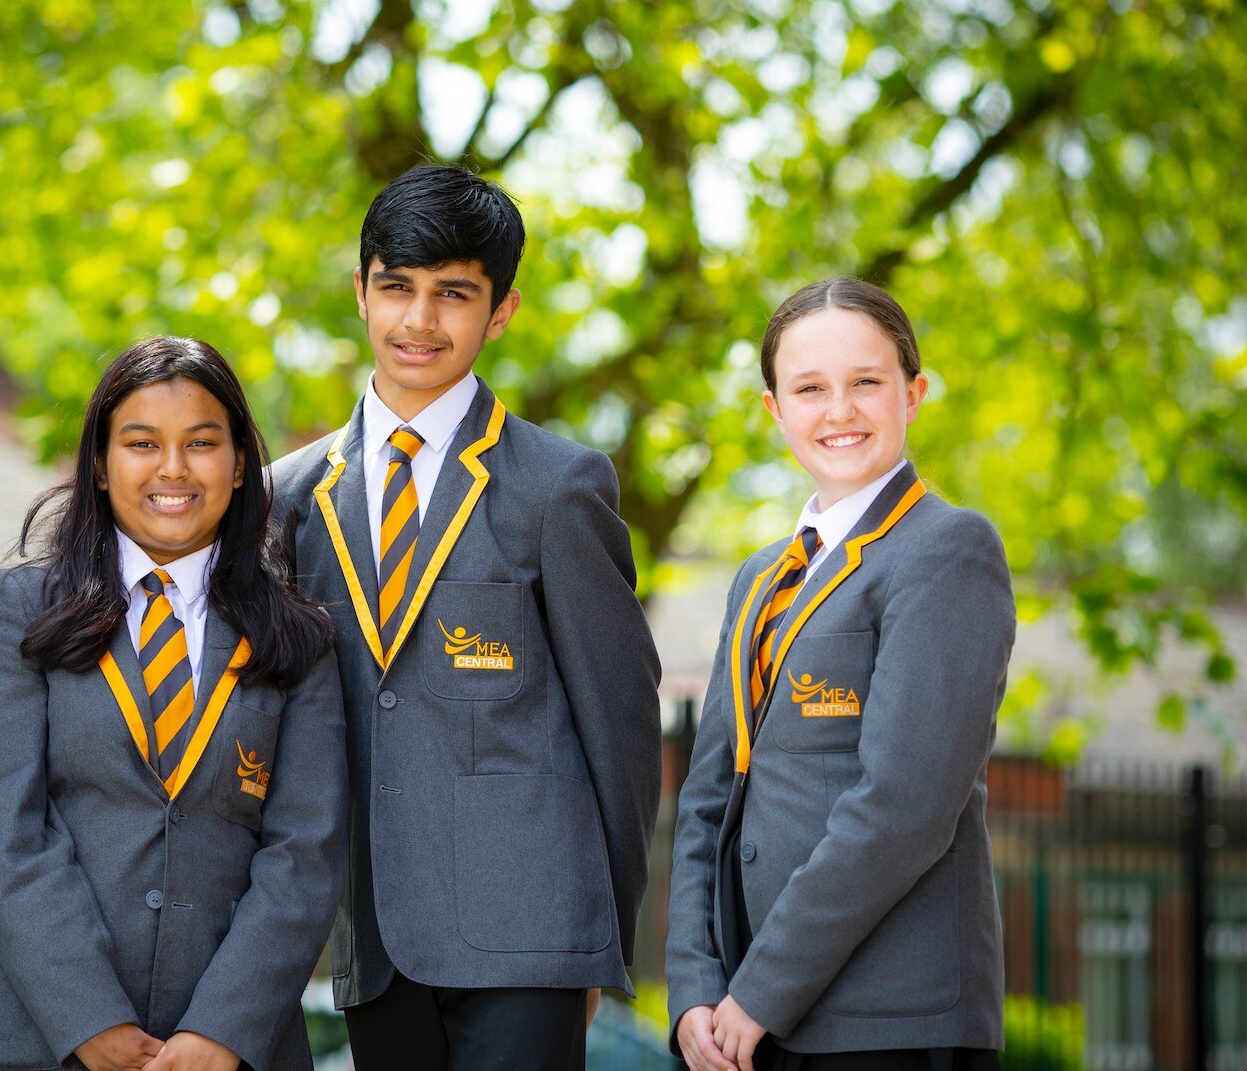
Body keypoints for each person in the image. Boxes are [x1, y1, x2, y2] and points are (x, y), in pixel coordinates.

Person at [269, 164, 663, 1071]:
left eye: (453, 295)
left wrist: (602, 934)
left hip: (534, 935)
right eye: (397, 288)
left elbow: (622, 724)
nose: (419, 320)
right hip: (374, 942)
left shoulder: (557, 489)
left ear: (501, 311)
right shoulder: (287, 499)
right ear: (359, 290)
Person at [0, 337, 346, 1071]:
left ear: (240, 463)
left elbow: (304, 854)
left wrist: (222, 1030)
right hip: (25, 1036)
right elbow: (5, 831)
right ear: (100, 461)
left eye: (202, 443)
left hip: (227, 1050)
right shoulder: (18, 610)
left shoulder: (297, 639)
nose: (173, 468)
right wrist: (89, 1019)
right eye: (142, 442)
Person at [665, 277, 1014, 1071]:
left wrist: (760, 991)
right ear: (774, 410)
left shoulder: (947, 549)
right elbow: (708, 800)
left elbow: (905, 805)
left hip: (886, 1023)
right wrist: (693, 987)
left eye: (867, 382)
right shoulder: (760, 576)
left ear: (914, 393)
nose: (841, 411)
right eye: (810, 388)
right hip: (741, 1027)